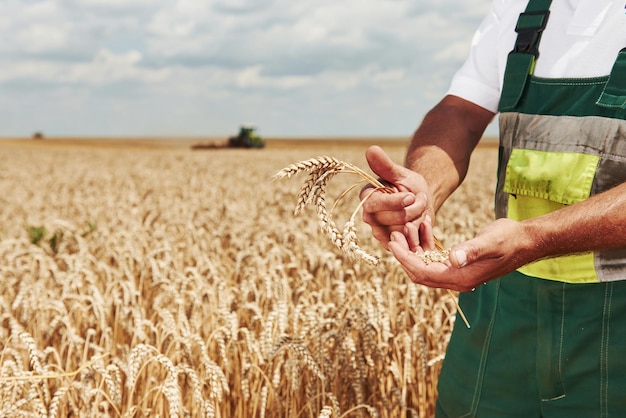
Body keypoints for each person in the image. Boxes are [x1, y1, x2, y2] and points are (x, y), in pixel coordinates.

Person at [361, 0, 626, 416]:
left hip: (616, 333)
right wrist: (419, 191)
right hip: (500, 313)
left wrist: (532, 239)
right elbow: (461, 112)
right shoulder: (520, 11)